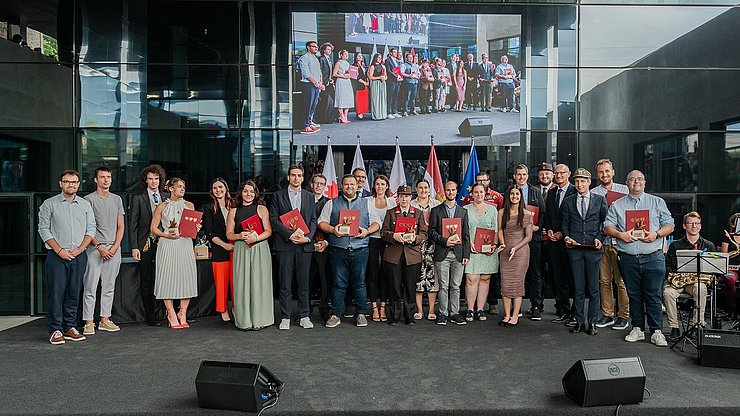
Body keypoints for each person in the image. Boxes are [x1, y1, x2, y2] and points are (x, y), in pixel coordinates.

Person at [604, 170, 675, 347]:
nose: (636, 181)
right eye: (632, 179)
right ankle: (637, 328)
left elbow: (670, 225)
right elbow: (607, 227)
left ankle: (657, 331)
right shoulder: (617, 205)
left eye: (639, 179)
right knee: (633, 295)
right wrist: (621, 235)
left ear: (644, 182)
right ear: (626, 183)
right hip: (628, 257)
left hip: (653, 257)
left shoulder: (657, 202)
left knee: (653, 295)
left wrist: (656, 234)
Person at [38, 170, 96, 345]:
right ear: (61, 183)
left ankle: (70, 327)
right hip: (57, 256)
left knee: (73, 292)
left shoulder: (85, 205)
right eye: (67, 182)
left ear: (78, 184)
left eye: (75, 182)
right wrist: (59, 250)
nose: (71, 185)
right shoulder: (49, 204)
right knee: (56, 293)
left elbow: (91, 228)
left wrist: (80, 249)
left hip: (79, 255)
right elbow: (43, 229)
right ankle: (55, 329)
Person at [318, 175, 381, 328]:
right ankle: (335, 314)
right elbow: (321, 222)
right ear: (342, 186)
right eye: (346, 184)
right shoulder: (331, 203)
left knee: (359, 283)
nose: (350, 187)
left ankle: (361, 313)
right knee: (339, 284)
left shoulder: (367, 203)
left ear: (357, 185)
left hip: (360, 249)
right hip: (338, 250)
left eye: (352, 184)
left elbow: (377, 222)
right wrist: (333, 229)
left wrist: (366, 231)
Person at [270, 165, 317, 330]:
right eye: (293, 175)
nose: (296, 178)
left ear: (303, 178)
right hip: (286, 245)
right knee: (285, 283)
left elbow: (313, 220)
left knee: (304, 283)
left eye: (299, 175)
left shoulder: (310, 196)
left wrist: (307, 238)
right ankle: (285, 317)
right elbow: (274, 219)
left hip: (304, 246)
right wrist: (289, 235)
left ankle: (305, 315)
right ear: (288, 177)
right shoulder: (277, 196)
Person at [561, 168, 607, 336]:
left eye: (583, 181)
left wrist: (600, 238)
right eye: (577, 181)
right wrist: (566, 237)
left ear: (589, 182)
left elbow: (605, 223)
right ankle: (579, 321)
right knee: (578, 288)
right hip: (575, 249)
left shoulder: (600, 200)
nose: (579, 184)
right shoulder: (568, 201)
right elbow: (565, 223)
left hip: (593, 250)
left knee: (594, 288)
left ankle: (592, 322)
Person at [82, 167, 125, 336]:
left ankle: (105, 319)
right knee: (90, 286)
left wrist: (114, 247)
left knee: (109, 286)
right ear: (95, 180)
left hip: (114, 248)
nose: (106, 180)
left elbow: (121, 226)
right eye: (102, 177)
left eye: (108, 177)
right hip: (94, 249)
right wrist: (99, 246)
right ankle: (89, 322)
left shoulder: (117, 200)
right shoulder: (88, 200)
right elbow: (87, 227)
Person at [151, 178, 199, 329]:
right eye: (179, 186)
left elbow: (192, 225)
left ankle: (183, 312)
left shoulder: (189, 205)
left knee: (187, 276)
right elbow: (154, 228)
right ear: (171, 188)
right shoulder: (162, 206)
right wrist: (166, 235)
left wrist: (196, 227)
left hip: (184, 243)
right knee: (167, 276)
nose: (182, 189)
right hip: (167, 244)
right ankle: (170, 312)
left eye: (183, 187)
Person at [226, 181, 274, 330]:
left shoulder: (261, 209)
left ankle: (260, 320)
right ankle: (244, 321)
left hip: (259, 248)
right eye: (246, 191)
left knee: (260, 283)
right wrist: (240, 235)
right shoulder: (233, 211)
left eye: (252, 192)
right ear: (241, 193)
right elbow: (228, 234)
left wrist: (256, 238)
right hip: (241, 248)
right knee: (242, 283)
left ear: (256, 193)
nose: (249, 194)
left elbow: (268, 231)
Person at [590, 159, 630, 330]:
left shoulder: (625, 190)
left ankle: (623, 315)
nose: (604, 175)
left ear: (613, 172)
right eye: (601, 172)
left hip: (621, 242)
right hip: (602, 242)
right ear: (597, 174)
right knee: (604, 281)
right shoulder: (593, 192)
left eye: (607, 171)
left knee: (621, 281)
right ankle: (607, 314)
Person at [663, 211, 715, 340]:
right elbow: (668, 265)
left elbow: (713, 269)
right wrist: (671, 276)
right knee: (668, 293)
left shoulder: (709, 246)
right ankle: (674, 327)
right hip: (678, 282)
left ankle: (696, 326)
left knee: (701, 288)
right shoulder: (675, 245)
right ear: (684, 226)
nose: (694, 226)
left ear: (701, 226)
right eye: (690, 223)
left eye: (697, 223)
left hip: (696, 283)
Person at [381, 185, 428, 325]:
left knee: (410, 287)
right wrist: (393, 235)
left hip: (412, 255)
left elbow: (424, 233)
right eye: (401, 196)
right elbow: (383, 233)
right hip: (393, 255)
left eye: (407, 196)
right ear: (398, 198)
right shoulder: (390, 212)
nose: (404, 199)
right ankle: (394, 316)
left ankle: (409, 316)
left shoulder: (418, 213)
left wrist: (415, 238)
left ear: (411, 197)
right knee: (394, 287)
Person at [128, 164, 168, 326]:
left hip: (165, 243)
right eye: (150, 179)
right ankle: (150, 315)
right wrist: (134, 247)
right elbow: (133, 225)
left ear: (160, 180)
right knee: (147, 279)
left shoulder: (167, 196)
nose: (153, 182)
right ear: (145, 180)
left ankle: (165, 312)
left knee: (165, 277)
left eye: (156, 179)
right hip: (145, 244)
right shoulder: (138, 198)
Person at [429, 181, 470, 325]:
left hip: (458, 254)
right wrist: (444, 241)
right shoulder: (436, 210)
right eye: (448, 190)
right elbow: (431, 232)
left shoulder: (463, 211)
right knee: (443, 285)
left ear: (456, 191)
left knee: (456, 286)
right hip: (442, 253)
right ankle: (442, 313)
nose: (451, 192)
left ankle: (455, 313)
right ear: (444, 191)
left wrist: (466, 255)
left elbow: (466, 235)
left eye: (453, 190)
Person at [512, 164, 546, 320]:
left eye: (524, 174)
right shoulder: (509, 192)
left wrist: (538, 226)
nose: (521, 177)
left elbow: (544, 213)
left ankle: (536, 306)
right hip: (515, 238)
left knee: (534, 273)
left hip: (533, 239)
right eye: (518, 174)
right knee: (516, 274)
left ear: (527, 176)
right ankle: (515, 307)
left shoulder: (536, 192)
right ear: (514, 176)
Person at [544, 164, 577, 325]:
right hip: (554, 244)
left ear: (568, 174)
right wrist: (549, 229)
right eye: (556, 173)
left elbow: (576, 218)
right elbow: (548, 215)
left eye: (561, 173)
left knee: (574, 279)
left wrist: (563, 233)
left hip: (570, 242)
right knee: (558, 279)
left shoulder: (575, 191)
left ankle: (576, 313)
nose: (558, 175)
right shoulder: (551, 193)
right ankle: (564, 310)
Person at [497, 186, 533, 327]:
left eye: (517, 194)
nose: (514, 196)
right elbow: (500, 230)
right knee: (505, 283)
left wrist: (515, 248)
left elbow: (529, 237)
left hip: (521, 252)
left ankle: (515, 316)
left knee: (517, 284)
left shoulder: (527, 214)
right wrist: (503, 244)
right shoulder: (501, 212)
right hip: (505, 251)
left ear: (520, 196)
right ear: (508, 196)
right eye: (512, 194)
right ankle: (506, 315)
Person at [464, 184, 499, 321]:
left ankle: (480, 309)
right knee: (471, 279)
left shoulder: (492, 210)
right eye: (476, 192)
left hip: (487, 251)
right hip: (471, 249)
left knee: (485, 279)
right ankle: (470, 309)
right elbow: (463, 230)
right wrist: (469, 243)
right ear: (472, 194)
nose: (479, 195)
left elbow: (495, 230)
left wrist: (494, 244)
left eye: (481, 192)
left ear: (485, 194)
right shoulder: (465, 209)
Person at [202, 178, 234, 323]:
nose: (218, 190)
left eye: (220, 187)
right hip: (220, 249)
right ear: (212, 191)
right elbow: (210, 233)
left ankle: (236, 307)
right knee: (221, 283)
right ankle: (223, 310)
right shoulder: (209, 208)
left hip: (237, 247)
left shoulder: (235, 204)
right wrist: (225, 245)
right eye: (215, 188)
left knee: (236, 282)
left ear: (226, 188)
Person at [366, 175, 396, 322]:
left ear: (387, 186)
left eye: (382, 184)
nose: (379, 187)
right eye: (377, 184)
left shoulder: (392, 202)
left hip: (388, 242)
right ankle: (374, 307)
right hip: (371, 240)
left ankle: (383, 306)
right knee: (372, 274)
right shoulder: (367, 201)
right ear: (374, 186)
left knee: (386, 274)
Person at [411, 179, 441, 320]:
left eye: (426, 188)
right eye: (420, 188)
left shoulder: (437, 205)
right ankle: (419, 311)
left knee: (432, 277)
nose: (423, 190)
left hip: (433, 245)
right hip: (415, 246)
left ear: (430, 190)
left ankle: (431, 310)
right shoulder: (411, 205)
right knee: (418, 277)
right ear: (416, 190)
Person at [308, 174, 331, 320]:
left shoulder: (330, 202)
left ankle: (325, 311)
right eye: (316, 183)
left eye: (321, 184)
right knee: (306, 280)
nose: (318, 186)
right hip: (307, 246)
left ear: (325, 186)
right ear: (311, 184)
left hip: (325, 247)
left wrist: (326, 242)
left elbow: (333, 225)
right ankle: (306, 311)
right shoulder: (304, 200)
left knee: (325, 280)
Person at [297, 41, 324, 134]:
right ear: (308, 47)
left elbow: (319, 72)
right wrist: (315, 83)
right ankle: (305, 126)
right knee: (308, 105)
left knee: (314, 104)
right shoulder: (304, 58)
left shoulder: (315, 59)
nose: (316, 48)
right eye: (313, 47)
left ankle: (309, 122)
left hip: (316, 85)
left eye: (317, 47)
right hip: (308, 84)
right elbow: (306, 73)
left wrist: (320, 83)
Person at [720, 213, 739, 320]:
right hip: (732, 267)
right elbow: (723, 255)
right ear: (732, 223)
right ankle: (732, 308)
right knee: (729, 278)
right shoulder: (728, 237)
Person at [333, 49, 355, 124]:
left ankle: (345, 115)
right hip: (341, 81)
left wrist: (351, 75)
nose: (346, 55)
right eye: (345, 54)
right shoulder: (338, 63)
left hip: (347, 82)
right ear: (341, 55)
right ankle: (341, 115)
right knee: (341, 98)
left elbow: (350, 73)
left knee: (348, 98)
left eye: (347, 54)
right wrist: (342, 76)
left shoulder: (348, 63)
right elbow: (334, 74)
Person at [317, 42, 335, 124]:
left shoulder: (329, 59)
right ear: (324, 50)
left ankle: (329, 118)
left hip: (329, 82)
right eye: (328, 49)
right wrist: (322, 83)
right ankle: (325, 118)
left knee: (330, 100)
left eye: (330, 49)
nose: (329, 51)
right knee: (325, 101)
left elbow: (329, 72)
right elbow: (320, 71)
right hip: (323, 83)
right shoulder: (321, 59)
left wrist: (331, 79)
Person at [368, 53, 388, 120]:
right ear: (375, 58)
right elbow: (370, 77)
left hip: (382, 84)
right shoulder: (372, 66)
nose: (380, 59)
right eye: (378, 57)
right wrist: (379, 77)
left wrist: (384, 78)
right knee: (376, 99)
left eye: (381, 57)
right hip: (375, 84)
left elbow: (386, 76)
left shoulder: (383, 66)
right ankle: (376, 115)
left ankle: (383, 115)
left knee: (382, 99)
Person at [385, 48, 403, 118]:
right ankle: (389, 112)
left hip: (398, 81)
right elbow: (389, 71)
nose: (396, 53)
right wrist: (396, 77)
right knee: (390, 97)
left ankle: (394, 111)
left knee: (396, 97)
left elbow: (398, 71)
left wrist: (400, 77)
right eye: (394, 52)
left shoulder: (397, 61)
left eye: (396, 52)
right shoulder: (388, 60)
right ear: (390, 53)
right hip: (391, 81)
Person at [351, 52, 370, 120]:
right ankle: (359, 113)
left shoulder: (363, 65)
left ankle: (362, 112)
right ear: (355, 57)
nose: (360, 57)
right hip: (358, 84)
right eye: (358, 56)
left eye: (361, 56)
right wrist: (364, 82)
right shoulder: (354, 65)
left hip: (365, 84)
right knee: (359, 99)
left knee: (363, 99)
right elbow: (355, 77)